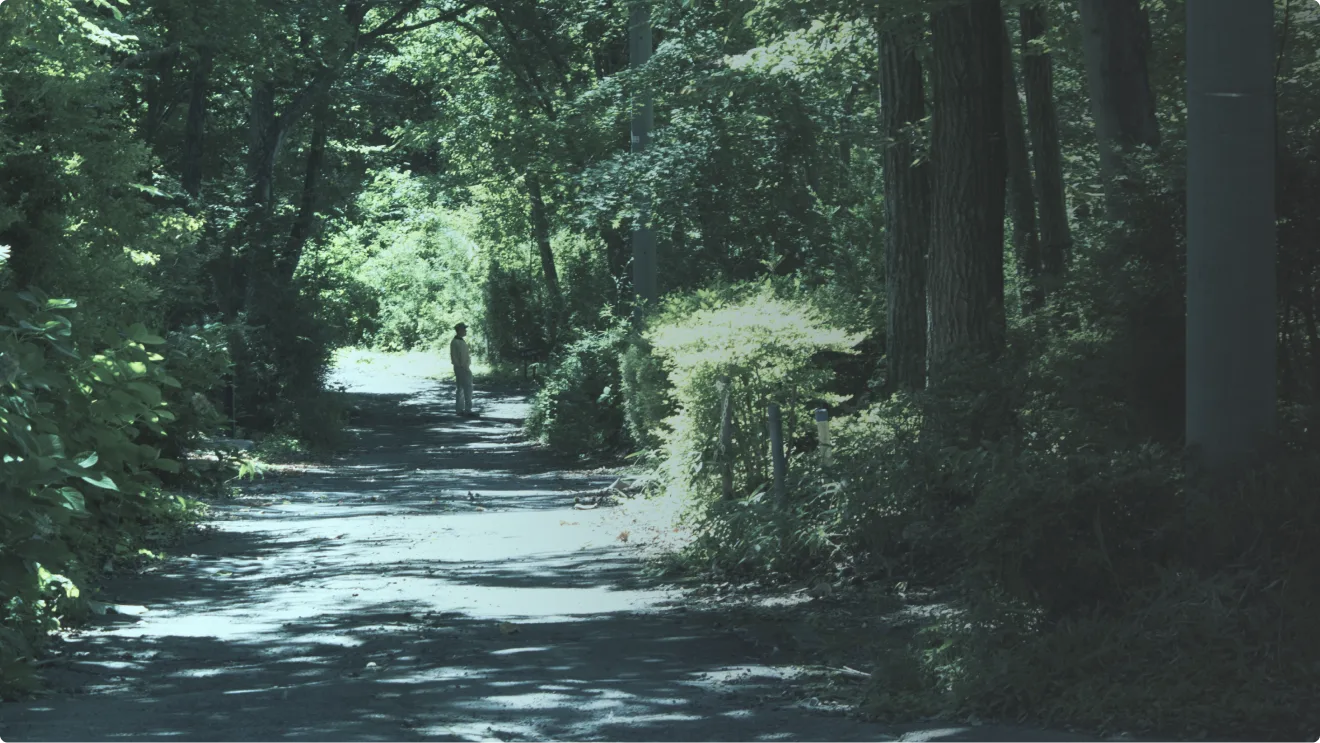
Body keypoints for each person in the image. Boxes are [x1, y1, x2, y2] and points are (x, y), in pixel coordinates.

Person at [450, 322, 475, 417]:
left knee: (461, 388)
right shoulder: (456, 342)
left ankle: (459, 409)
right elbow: (455, 357)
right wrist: (462, 366)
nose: (465, 331)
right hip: (462, 367)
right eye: (464, 329)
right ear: (459, 330)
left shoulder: (459, 341)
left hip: (462, 367)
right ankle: (467, 410)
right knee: (467, 388)